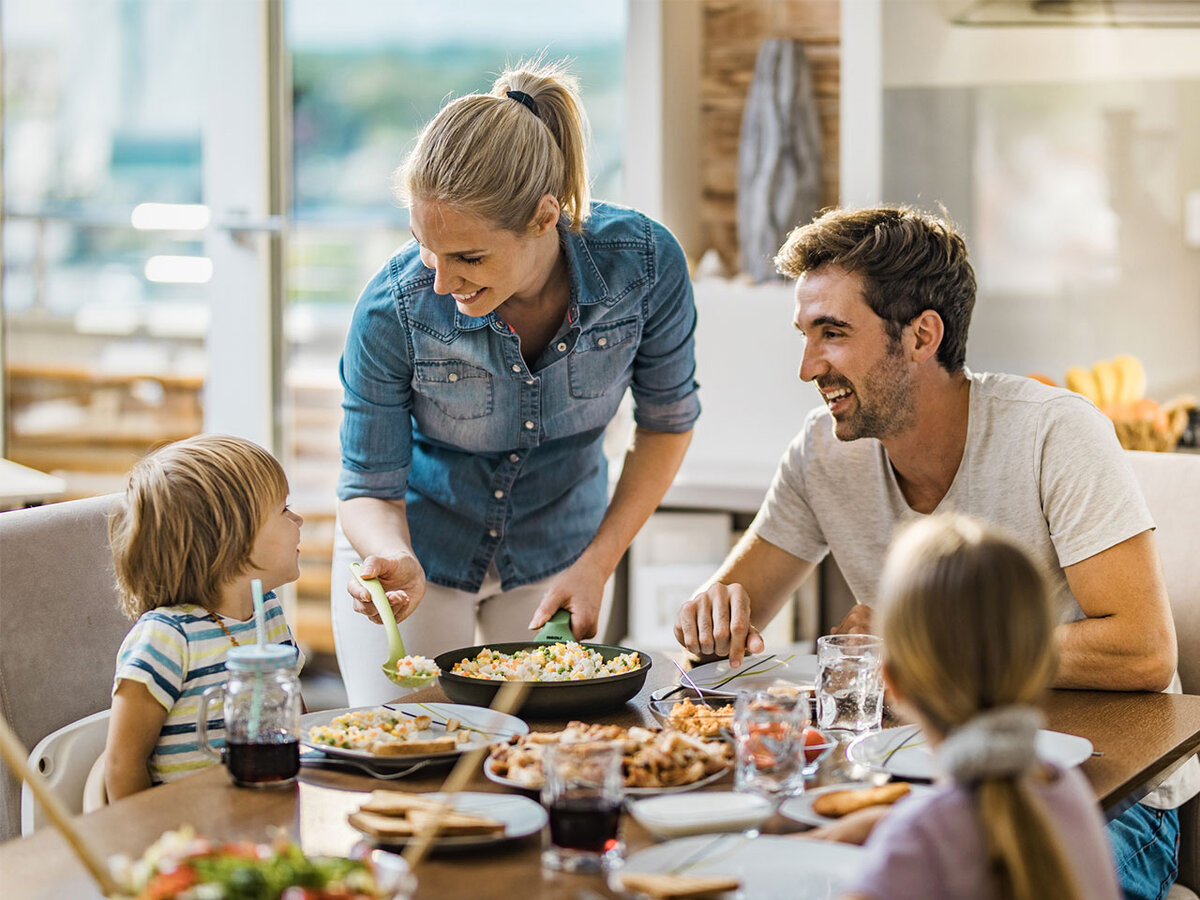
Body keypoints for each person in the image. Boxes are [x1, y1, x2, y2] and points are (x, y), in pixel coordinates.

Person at [673, 205, 1195, 899]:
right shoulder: (822, 452)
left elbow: (1142, 651)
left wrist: (922, 646)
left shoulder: (1054, 434)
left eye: (832, 333)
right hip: (920, 778)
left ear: (922, 335)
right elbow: (725, 631)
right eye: (805, 335)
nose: (807, 367)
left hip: (1102, 792)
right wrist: (711, 621)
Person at [333, 58, 699, 706]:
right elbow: (367, 485)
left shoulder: (643, 269)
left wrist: (598, 563)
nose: (441, 282)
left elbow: (667, 424)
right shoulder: (393, 308)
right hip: (422, 549)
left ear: (543, 218)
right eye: (425, 247)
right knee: (412, 755)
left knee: (543, 755)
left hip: (562, 547)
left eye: (468, 256)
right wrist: (391, 554)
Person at [815, 514, 1120, 900]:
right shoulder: (1065, 787)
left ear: (892, 682)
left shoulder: (915, 844)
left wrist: (908, 826)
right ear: (1042, 663)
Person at [104, 435, 304, 800]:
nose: (299, 519)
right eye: (284, 510)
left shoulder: (268, 613)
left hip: (265, 814)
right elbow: (121, 764)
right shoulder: (167, 637)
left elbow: (296, 727)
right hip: (190, 830)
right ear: (232, 537)